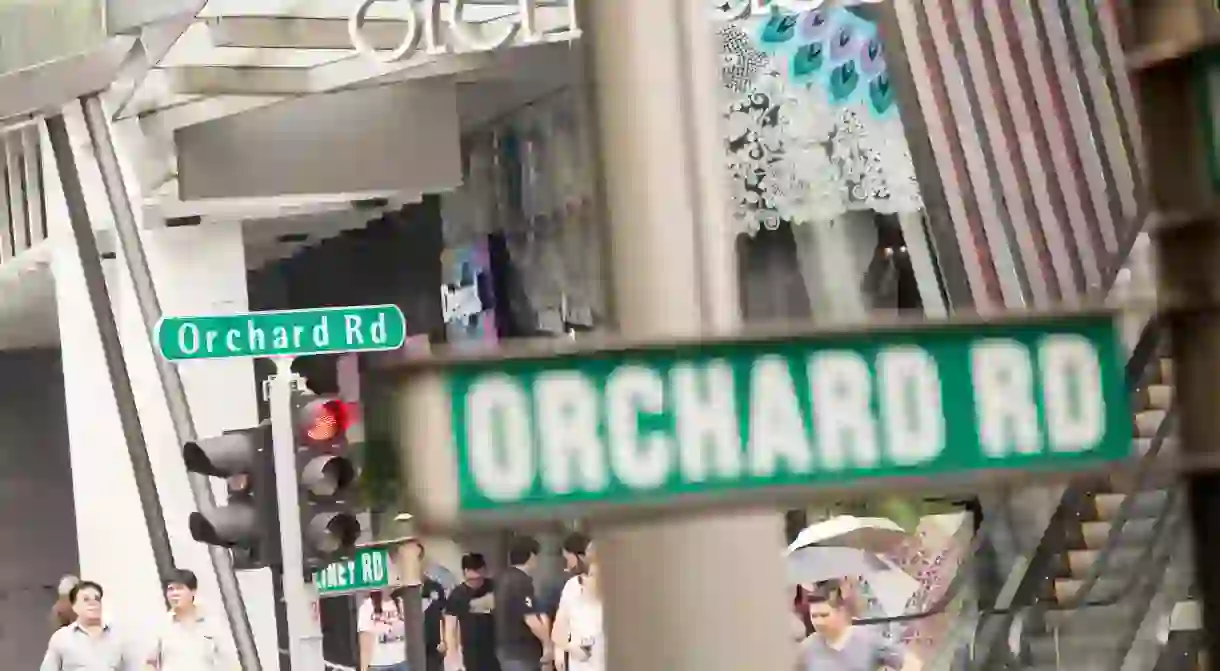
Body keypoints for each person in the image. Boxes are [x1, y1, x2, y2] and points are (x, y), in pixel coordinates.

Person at [799, 581, 921, 671]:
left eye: (824, 615)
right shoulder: (808, 648)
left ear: (840, 612)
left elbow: (912, 663)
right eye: (814, 616)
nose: (818, 622)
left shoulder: (867, 637)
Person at [146, 568, 234, 670]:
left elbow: (228, 660)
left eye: (179, 588)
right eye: (170, 589)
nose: (174, 594)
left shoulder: (212, 623)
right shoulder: (161, 624)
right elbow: (150, 663)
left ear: (193, 592)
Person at [40, 580, 132, 671]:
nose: (93, 603)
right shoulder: (61, 637)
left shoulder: (118, 637)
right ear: (74, 607)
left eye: (97, 599)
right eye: (86, 599)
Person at [494, 536, 552, 671]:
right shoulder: (521, 582)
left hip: (506, 649)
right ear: (531, 556)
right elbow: (531, 619)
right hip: (521, 654)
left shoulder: (503, 578)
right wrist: (547, 644)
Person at [550, 543, 603, 671]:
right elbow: (559, 627)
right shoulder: (573, 586)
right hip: (581, 661)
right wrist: (561, 651)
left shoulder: (621, 589)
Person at [445, 554, 500, 671]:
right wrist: (452, 656)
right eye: (472, 579)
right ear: (465, 573)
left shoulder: (495, 587)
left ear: (484, 570)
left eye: (479, 578)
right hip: (472, 651)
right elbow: (450, 627)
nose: (476, 581)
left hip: (497, 647)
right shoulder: (457, 594)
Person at [542, 533, 590, 621]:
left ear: (574, 556)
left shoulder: (560, 582)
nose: (567, 564)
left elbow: (547, 615)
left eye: (567, 558)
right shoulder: (601, 579)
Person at [359, 589, 408, 671]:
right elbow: (365, 641)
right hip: (379, 664)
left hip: (401, 661)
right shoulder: (367, 604)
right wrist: (364, 668)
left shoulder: (401, 601)